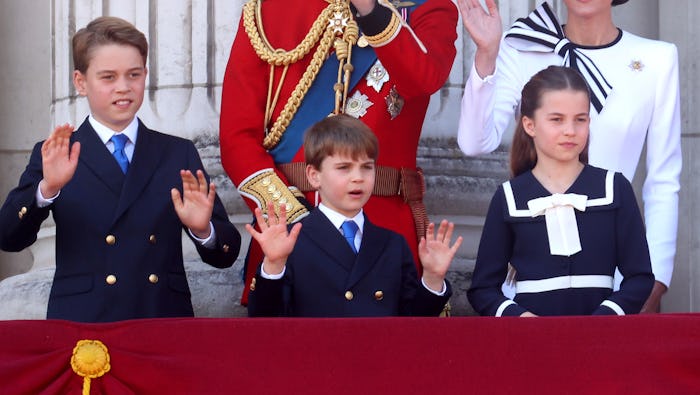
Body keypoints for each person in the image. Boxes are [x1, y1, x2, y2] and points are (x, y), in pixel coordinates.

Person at [0, 16, 241, 323]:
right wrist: (46, 190)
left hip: (160, 319)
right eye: (108, 77)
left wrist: (201, 230)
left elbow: (226, 253)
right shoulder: (55, 153)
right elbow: (8, 237)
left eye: (134, 74)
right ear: (80, 82)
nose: (124, 88)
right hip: (84, 323)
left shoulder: (177, 153)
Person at [219, 0, 458, 305]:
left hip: (383, 233)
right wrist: (294, 220)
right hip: (290, 230)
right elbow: (237, 138)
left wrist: (372, 12)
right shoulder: (268, 10)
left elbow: (423, 79)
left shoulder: (427, 7)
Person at [456, 0, 681, 313]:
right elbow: (474, 143)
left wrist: (654, 282)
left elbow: (663, 179)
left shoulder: (657, 58)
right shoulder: (521, 46)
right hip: (529, 286)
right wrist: (486, 54)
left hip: (616, 286)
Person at [467, 66, 654, 317]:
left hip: (601, 344)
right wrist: (519, 318)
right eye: (557, 119)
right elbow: (483, 289)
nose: (570, 130)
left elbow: (640, 277)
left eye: (581, 119)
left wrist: (605, 318)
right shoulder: (509, 197)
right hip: (532, 346)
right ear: (529, 125)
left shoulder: (614, 188)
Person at [246, 114, 462, 317]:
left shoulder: (392, 244)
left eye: (367, 167)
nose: (358, 178)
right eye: (344, 168)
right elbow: (266, 324)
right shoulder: (291, 242)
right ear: (314, 175)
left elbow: (413, 327)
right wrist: (273, 266)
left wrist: (433, 279)